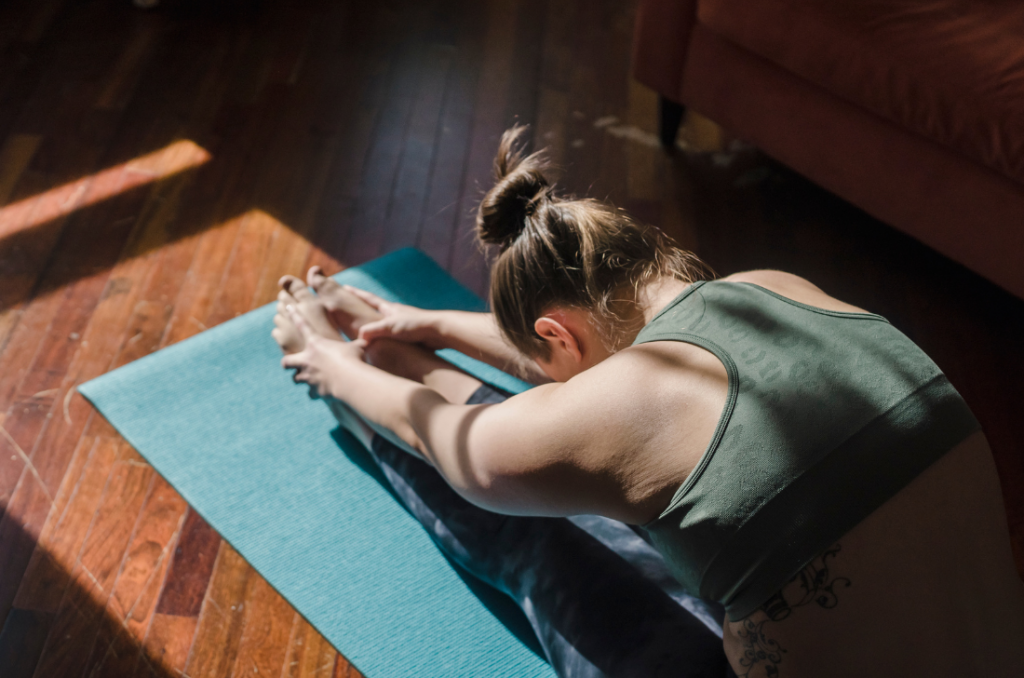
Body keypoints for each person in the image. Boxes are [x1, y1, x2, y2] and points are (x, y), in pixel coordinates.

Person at [272, 127, 1024, 677]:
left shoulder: (630, 403)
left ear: (554, 334)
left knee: (549, 539)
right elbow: (592, 368)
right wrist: (432, 324)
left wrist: (329, 363)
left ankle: (375, 384)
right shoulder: (770, 290)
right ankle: (400, 353)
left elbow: (459, 446)